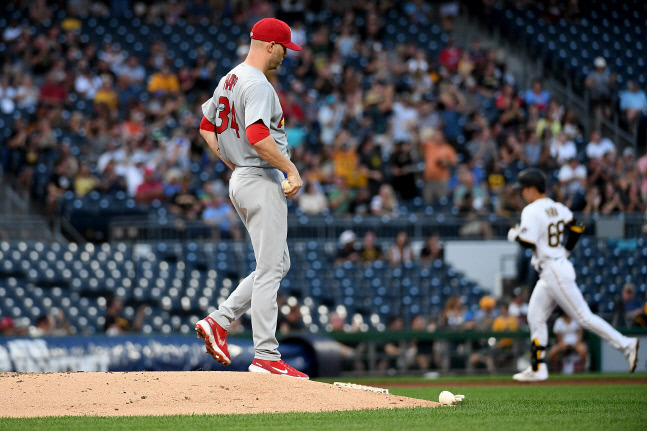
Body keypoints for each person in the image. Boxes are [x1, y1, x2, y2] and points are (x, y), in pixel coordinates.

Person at [194, 18, 308, 378]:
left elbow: (205, 125)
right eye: (285, 50)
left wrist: (231, 161)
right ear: (270, 46)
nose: (286, 57)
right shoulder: (259, 84)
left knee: (275, 264)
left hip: (242, 177)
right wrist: (292, 170)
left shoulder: (229, 78)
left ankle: (219, 321)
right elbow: (259, 135)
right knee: (272, 268)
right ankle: (266, 356)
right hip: (258, 177)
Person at [507, 168, 639, 382]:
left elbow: (528, 242)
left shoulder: (531, 210)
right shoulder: (557, 207)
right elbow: (577, 226)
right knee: (535, 316)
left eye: (522, 189)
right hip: (553, 268)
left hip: (553, 269)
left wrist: (514, 235)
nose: (521, 193)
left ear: (532, 189)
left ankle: (626, 344)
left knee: (583, 316)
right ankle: (538, 368)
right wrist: (566, 250)